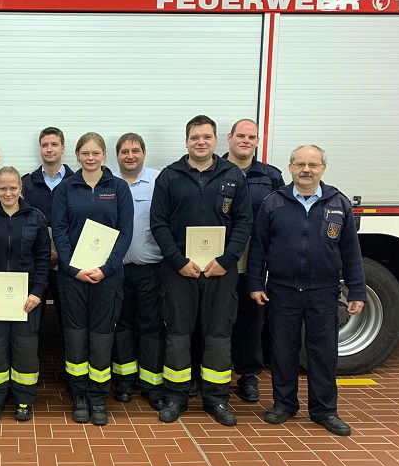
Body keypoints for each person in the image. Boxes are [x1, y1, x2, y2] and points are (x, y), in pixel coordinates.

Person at [248, 145, 365, 436]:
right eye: (300, 164)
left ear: (323, 168)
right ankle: (284, 404)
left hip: (323, 291)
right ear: (290, 168)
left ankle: (325, 410)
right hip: (282, 289)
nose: (306, 170)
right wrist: (254, 283)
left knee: (324, 352)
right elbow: (258, 247)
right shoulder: (274, 202)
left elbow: (351, 252)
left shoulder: (338, 204)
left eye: (313, 164)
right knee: (283, 350)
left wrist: (357, 291)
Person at [150, 115, 252, 426]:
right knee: (178, 334)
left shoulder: (233, 175)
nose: (201, 142)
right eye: (195, 137)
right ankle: (176, 396)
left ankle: (217, 399)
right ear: (186, 141)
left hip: (221, 270)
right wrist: (179, 261)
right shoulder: (169, 177)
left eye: (207, 137)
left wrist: (227, 259)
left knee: (218, 335)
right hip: (179, 270)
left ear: (216, 141)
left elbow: (244, 222)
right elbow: (159, 224)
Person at [52, 132, 134, 426]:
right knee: (75, 337)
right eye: (84, 153)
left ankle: (98, 397)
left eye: (95, 153)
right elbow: (59, 232)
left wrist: (106, 269)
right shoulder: (64, 189)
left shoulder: (119, 188)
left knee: (101, 338)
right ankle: (80, 396)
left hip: (107, 277)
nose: (90, 158)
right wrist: (74, 268)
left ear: (104, 156)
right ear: (77, 156)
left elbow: (126, 233)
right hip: (72, 278)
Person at [0, 166, 51, 421]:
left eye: (12, 188)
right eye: (3, 188)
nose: (8, 193)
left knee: (25, 349)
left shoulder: (36, 218)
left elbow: (43, 258)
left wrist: (37, 292)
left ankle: (24, 400)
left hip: (26, 300)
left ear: (20, 189)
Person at [224, 119, 284, 402]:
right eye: (240, 135)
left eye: (251, 137)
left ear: (258, 141)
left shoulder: (271, 177)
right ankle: (210, 373)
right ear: (229, 138)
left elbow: (281, 219)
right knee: (214, 323)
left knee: (251, 322)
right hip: (218, 264)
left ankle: (248, 377)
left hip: (253, 265)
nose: (245, 141)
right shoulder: (214, 171)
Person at [111, 133, 165, 410]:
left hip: (151, 268)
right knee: (121, 326)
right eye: (124, 151)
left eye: (135, 150)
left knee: (151, 327)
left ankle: (151, 383)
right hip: (116, 271)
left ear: (144, 153)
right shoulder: (107, 182)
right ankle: (124, 380)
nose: (130, 156)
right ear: (117, 155)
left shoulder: (159, 182)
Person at [22, 127, 74, 332]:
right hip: (36, 259)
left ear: (63, 148)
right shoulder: (26, 183)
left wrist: (61, 253)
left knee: (69, 315)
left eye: (54, 145)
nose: (49, 149)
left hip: (68, 258)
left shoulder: (76, 182)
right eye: (45, 145)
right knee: (32, 315)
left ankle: (70, 357)